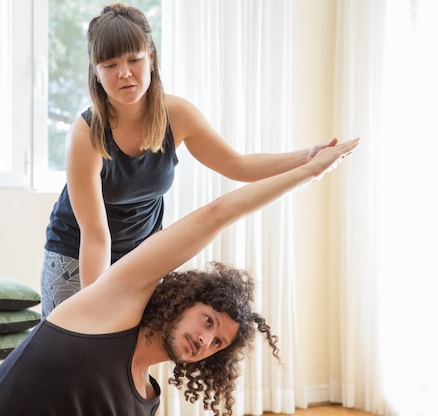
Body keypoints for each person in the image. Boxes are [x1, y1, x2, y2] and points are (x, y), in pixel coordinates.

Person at [0, 138, 360, 416]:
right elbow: (218, 213)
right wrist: (308, 170)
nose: (206, 339)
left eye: (218, 341)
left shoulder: (147, 398)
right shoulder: (108, 309)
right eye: (208, 320)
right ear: (183, 300)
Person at [41, 3, 339, 316]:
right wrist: (94, 309)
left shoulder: (177, 115)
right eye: (110, 64)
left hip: (140, 255)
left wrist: (307, 158)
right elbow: (95, 235)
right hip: (77, 255)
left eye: (134, 59)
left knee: (130, 357)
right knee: (74, 353)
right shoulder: (85, 134)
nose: (124, 73)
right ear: (96, 72)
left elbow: (238, 165)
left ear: (152, 58)